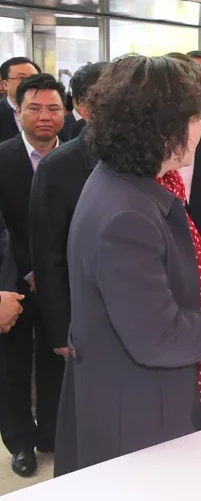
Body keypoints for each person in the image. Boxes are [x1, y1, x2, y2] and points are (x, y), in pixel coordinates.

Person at [54, 55, 201, 477]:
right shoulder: (127, 215)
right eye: (194, 118)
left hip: (129, 389)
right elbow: (157, 336)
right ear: (161, 129)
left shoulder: (123, 181)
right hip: (136, 408)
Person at [0, 73, 66, 478]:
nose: (44, 116)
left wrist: (52, 270)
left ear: (66, 112)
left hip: (63, 278)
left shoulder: (79, 158)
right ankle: (20, 442)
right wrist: (26, 272)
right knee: (12, 366)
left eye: (53, 108)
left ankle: (54, 433)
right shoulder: (2, 157)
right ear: (18, 112)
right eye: (35, 108)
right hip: (13, 283)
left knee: (58, 357)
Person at [29, 62, 107, 360]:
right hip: (84, 315)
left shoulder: (145, 155)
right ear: (83, 109)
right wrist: (60, 329)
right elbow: (47, 255)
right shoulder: (58, 166)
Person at [0, 57, 42, 143]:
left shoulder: (52, 111)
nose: (30, 82)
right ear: (5, 84)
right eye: (22, 78)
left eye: (34, 78)